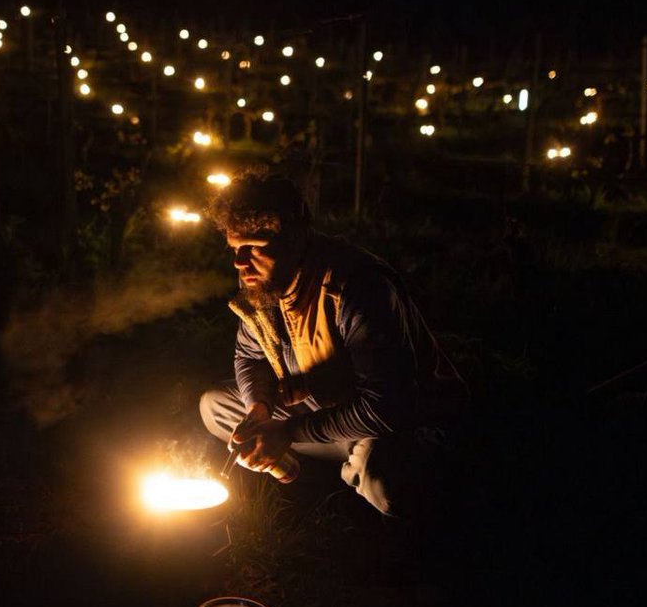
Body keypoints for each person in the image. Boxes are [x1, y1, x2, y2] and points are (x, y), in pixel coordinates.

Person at [199, 169, 469, 518]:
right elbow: (249, 357)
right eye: (235, 248)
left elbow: (385, 405)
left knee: (390, 489)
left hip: (391, 422)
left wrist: (288, 431)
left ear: (295, 237)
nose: (239, 262)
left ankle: (346, 470)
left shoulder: (355, 285)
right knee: (215, 406)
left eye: (254, 248)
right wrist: (258, 410)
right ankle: (302, 464)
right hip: (319, 413)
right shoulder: (263, 285)